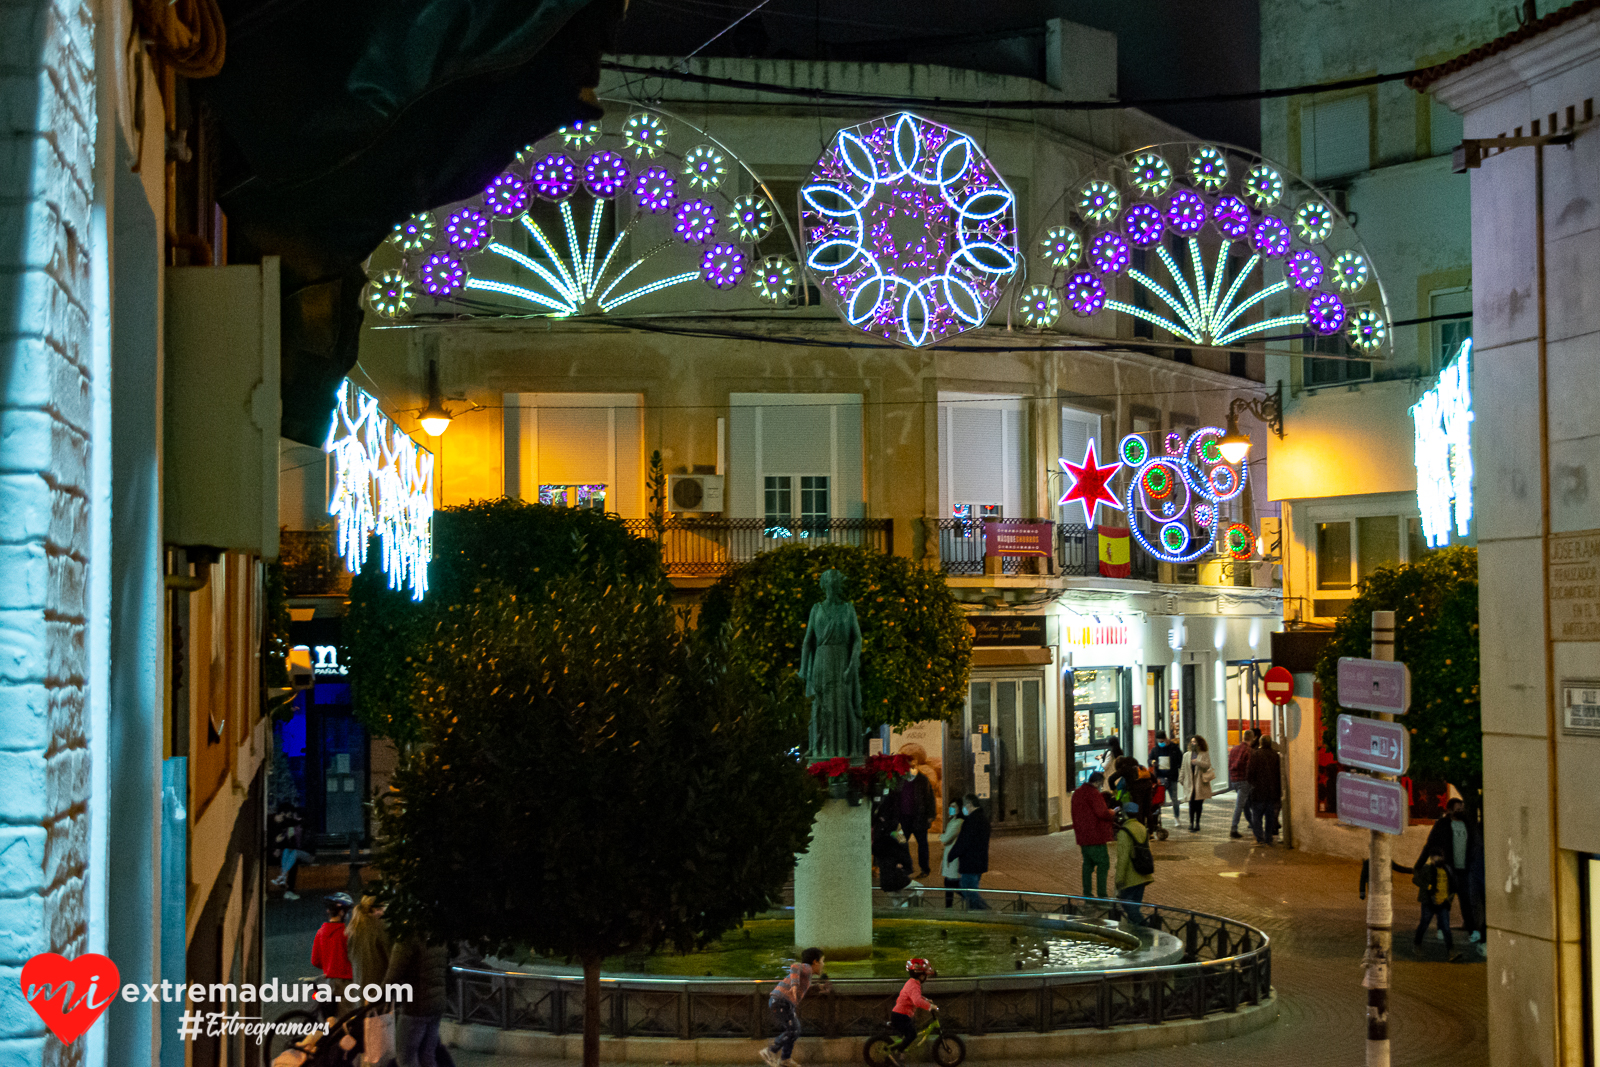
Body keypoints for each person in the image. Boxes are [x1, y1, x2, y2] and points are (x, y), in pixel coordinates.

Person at [1418, 798, 1483, 941]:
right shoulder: (1442, 825)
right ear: (1449, 810)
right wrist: (1420, 864)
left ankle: (1472, 931)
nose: (1460, 811)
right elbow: (1430, 844)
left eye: (1461, 808)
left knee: (1465, 901)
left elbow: (1474, 844)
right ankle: (1442, 928)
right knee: (1445, 901)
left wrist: (1472, 861)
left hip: (1464, 870)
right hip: (1447, 869)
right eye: (1457, 808)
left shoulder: (1468, 825)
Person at [760, 947, 832, 1067]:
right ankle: (770, 1051)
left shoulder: (808, 975)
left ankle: (785, 1059)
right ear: (815, 962)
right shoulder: (807, 968)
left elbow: (803, 988)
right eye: (823, 961)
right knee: (793, 1030)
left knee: (795, 1029)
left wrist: (819, 988)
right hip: (781, 1001)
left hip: (783, 1002)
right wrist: (794, 985)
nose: (823, 964)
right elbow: (795, 966)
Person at [385, 935, 449, 1067]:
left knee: (405, 1058)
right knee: (428, 1056)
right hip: (437, 1003)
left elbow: (393, 975)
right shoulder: (436, 936)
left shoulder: (407, 938)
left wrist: (375, 995)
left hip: (415, 1005)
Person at [1070, 771, 1116, 898]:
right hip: (1096, 836)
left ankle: (1087, 895)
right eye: (1101, 783)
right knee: (1103, 864)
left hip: (1083, 836)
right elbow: (1102, 813)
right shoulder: (1094, 793)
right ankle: (1102, 895)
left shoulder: (1077, 793)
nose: (1101, 786)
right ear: (1098, 782)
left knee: (1087, 865)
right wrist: (1111, 813)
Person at [1412, 850, 1461, 962]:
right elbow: (1415, 879)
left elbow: (1452, 885)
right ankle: (1417, 945)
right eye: (1435, 857)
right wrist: (1428, 886)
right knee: (1424, 924)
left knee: (1446, 928)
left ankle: (1451, 952)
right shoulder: (1427, 869)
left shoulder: (1447, 870)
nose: (1437, 859)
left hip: (1442, 903)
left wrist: (1448, 899)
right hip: (1429, 903)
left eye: (1439, 856)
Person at [886, 958, 937, 1065]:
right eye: (925, 975)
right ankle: (898, 1053)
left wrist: (926, 1000)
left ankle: (900, 1050)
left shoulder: (912, 983)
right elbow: (917, 1001)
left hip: (901, 1014)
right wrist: (929, 1006)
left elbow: (916, 997)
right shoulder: (914, 985)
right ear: (921, 975)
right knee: (912, 1034)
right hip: (900, 1016)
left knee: (910, 1031)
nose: (926, 977)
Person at [946, 794, 991, 910]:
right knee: (971, 890)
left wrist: (951, 855)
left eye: (964, 806)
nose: (963, 809)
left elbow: (963, 842)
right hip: (979, 862)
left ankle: (983, 913)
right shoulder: (983, 819)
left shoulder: (971, 821)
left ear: (970, 804)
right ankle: (982, 911)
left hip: (970, 863)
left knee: (969, 891)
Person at [1113, 802, 1155, 926]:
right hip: (1142, 875)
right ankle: (1138, 933)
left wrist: (1119, 879)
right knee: (1135, 906)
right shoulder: (1142, 827)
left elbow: (1123, 858)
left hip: (1130, 878)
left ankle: (1147, 929)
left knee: (1129, 908)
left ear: (1124, 814)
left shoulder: (1124, 831)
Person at [346, 895, 392, 996]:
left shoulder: (354, 930)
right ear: (373, 910)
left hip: (359, 990)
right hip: (378, 991)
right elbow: (392, 960)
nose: (382, 912)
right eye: (380, 908)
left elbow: (350, 957)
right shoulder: (380, 926)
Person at [895, 768, 937, 878]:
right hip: (903, 818)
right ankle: (907, 867)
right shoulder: (899, 779)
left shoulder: (922, 779)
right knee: (901, 843)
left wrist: (931, 814)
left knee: (922, 844)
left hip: (919, 817)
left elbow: (930, 797)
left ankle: (925, 868)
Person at [269, 802, 314, 900]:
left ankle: (283, 876)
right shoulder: (290, 825)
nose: (292, 817)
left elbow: (304, 845)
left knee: (294, 854)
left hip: (306, 854)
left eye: (294, 815)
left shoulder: (304, 826)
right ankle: (285, 883)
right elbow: (288, 843)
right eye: (291, 815)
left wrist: (291, 838)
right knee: (287, 852)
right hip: (289, 853)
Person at [1245, 736, 1283, 845]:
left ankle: (1259, 838)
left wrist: (1253, 785)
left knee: (1257, 816)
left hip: (1258, 792)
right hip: (1272, 792)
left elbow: (1249, 774)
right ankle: (1268, 838)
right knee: (1270, 817)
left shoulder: (1255, 755)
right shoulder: (1275, 756)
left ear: (1260, 743)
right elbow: (1279, 774)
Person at [872, 819, 920, 905]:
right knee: (914, 889)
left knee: (896, 896)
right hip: (893, 866)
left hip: (888, 868)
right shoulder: (893, 828)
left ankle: (904, 906)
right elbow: (902, 844)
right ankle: (905, 905)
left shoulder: (880, 828)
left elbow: (877, 848)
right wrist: (906, 863)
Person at [310, 893, 354, 986]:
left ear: (328, 911)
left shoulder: (320, 932)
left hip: (329, 981)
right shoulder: (346, 933)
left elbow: (315, 961)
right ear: (342, 913)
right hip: (347, 982)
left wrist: (330, 966)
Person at [1176, 735, 1214, 833]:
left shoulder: (1204, 754)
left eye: (1195, 742)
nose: (1193, 744)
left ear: (1199, 743)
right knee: (1191, 803)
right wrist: (1181, 779)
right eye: (1192, 742)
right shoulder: (1186, 755)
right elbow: (1183, 768)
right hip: (1190, 782)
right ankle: (1191, 823)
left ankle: (1197, 822)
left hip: (1199, 782)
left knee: (1198, 804)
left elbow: (1207, 765)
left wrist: (1197, 762)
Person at [1228, 729, 1258, 839]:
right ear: (1253, 738)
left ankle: (1252, 823)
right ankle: (1234, 828)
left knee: (1244, 803)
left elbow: (1230, 764)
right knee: (1240, 805)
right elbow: (1250, 768)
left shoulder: (1234, 749)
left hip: (1234, 780)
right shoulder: (1249, 751)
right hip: (1244, 781)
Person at [1149, 732, 1183, 826]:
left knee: (1174, 799)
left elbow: (1180, 761)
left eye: (1162, 741)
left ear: (1166, 738)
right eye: (1159, 741)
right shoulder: (1155, 750)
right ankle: (1157, 819)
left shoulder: (1174, 748)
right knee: (1157, 800)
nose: (1161, 742)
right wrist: (1153, 762)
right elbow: (1150, 759)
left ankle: (1176, 817)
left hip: (1172, 777)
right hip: (1160, 778)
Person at [938, 801, 963, 908]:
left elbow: (946, 838)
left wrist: (941, 836)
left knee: (951, 884)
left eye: (953, 806)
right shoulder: (952, 821)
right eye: (950, 806)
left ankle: (973, 900)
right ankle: (948, 908)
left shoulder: (958, 823)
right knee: (949, 884)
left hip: (953, 857)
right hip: (949, 856)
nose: (950, 808)